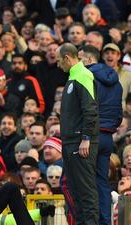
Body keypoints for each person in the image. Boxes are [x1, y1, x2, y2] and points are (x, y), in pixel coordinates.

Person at [56, 43, 99, 224]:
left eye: (59, 61)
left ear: (67, 58)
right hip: (70, 142)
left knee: (86, 192)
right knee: (76, 193)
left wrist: (86, 138)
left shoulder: (83, 75)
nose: (58, 65)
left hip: (80, 142)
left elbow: (90, 109)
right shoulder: (73, 77)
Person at [79, 45, 122, 225]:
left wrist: (85, 136)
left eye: (80, 58)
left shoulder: (86, 77)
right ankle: (105, 221)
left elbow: (87, 110)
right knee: (102, 183)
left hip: (90, 137)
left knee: (85, 183)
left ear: (89, 60)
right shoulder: (116, 81)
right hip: (107, 137)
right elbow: (119, 113)